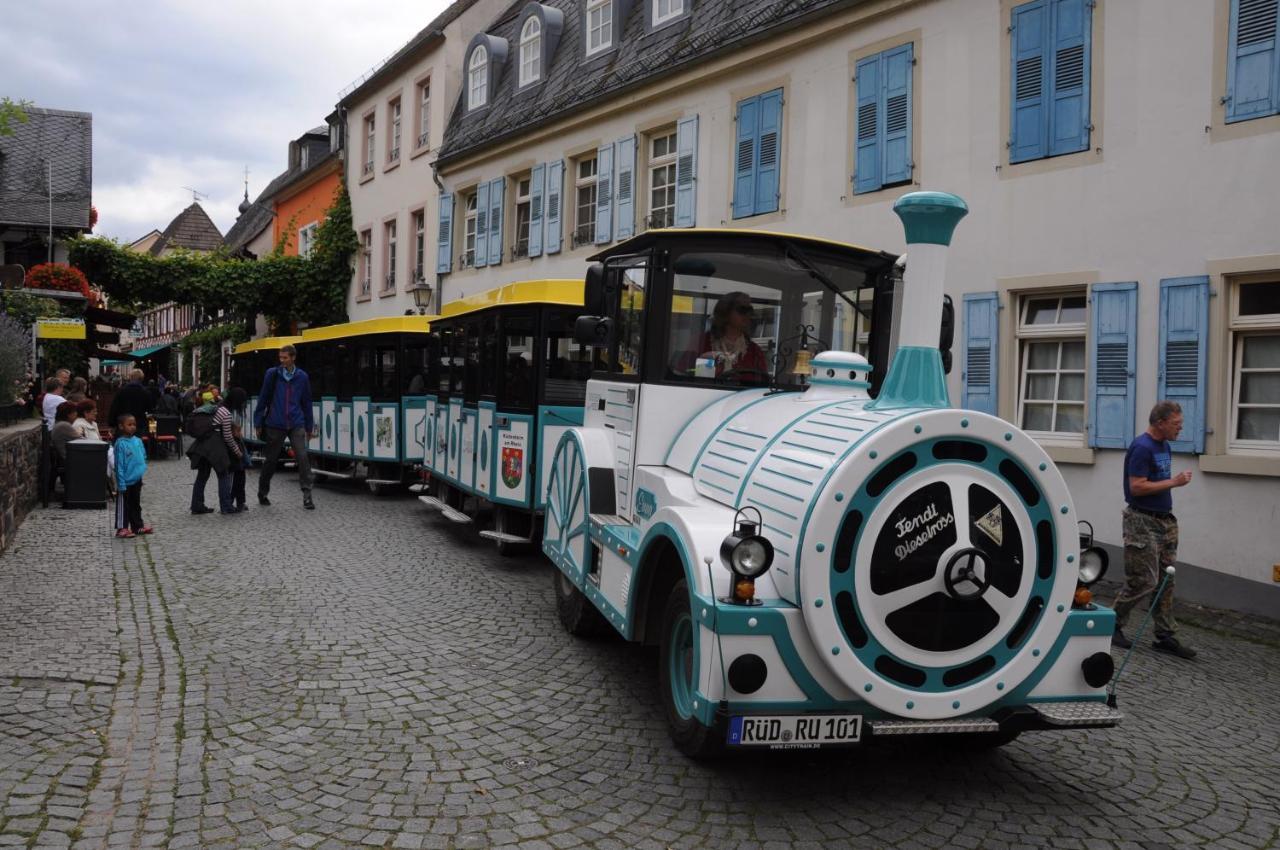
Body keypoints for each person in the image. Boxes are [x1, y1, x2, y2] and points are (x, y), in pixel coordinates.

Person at [1113, 400, 1196, 660]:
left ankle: (1165, 636)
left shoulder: (1164, 446)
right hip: (1141, 521)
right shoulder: (1142, 447)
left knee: (1165, 580)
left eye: (1181, 424)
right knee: (1143, 580)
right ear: (1160, 423)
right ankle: (1112, 625)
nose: (1180, 429)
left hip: (1165, 521)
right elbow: (1136, 487)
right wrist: (1174, 482)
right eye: (1176, 424)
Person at [253, 344, 316, 510]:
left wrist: (309, 426)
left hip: (296, 422)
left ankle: (307, 495)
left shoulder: (302, 377)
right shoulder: (272, 374)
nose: (282, 361)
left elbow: (307, 402)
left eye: (285, 358)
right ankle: (263, 491)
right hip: (275, 422)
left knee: (302, 457)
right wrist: (258, 422)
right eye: (280, 358)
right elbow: (263, 398)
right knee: (271, 460)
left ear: (293, 358)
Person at [680, 292, 770, 381]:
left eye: (750, 310)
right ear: (725, 312)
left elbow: (763, 384)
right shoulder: (701, 342)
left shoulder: (755, 351)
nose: (747, 314)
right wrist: (703, 365)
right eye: (742, 309)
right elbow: (684, 374)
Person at [185, 392, 236, 515]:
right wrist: (237, 451)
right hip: (215, 446)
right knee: (223, 475)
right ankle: (226, 506)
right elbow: (228, 437)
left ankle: (196, 506)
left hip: (201, 445)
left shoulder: (211, 409)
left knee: (202, 476)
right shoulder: (226, 412)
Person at [112, 413, 151, 538]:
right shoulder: (120, 444)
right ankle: (121, 528)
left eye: (134, 424)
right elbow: (119, 465)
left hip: (136, 479)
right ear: (121, 426)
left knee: (136, 504)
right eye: (129, 424)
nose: (132, 427)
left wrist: (142, 467)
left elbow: (143, 455)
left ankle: (137, 526)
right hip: (125, 481)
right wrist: (121, 482)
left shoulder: (138, 441)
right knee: (124, 505)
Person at [223, 388, 251, 512]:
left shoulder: (226, 408)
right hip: (234, 445)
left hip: (232, 445)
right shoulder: (233, 412)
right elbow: (236, 431)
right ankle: (234, 501)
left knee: (238, 474)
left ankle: (237, 501)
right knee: (238, 474)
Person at [109, 370, 153, 440]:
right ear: (141, 379)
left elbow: (114, 408)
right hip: (138, 425)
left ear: (131, 377)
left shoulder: (122, 391)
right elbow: (150, 411)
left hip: (123, 425)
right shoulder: (146, 392)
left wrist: (112, 424)